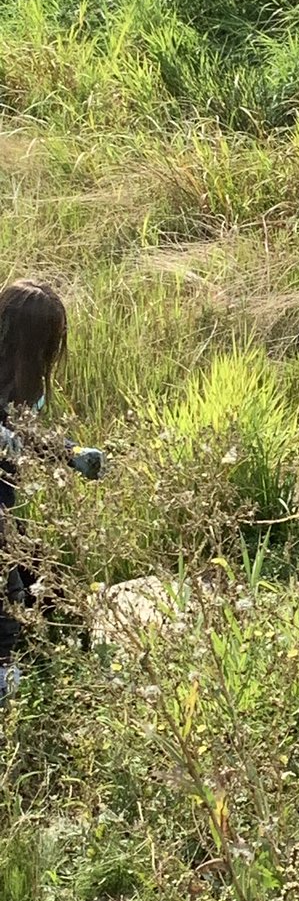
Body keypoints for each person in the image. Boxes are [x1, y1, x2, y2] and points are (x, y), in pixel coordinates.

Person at [0, 279, 104, 700]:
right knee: (8, 589)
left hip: (5, 504)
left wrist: (71, 453)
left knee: (48, 589)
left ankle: (77, 655)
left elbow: (26, 434)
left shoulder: (24, 381)